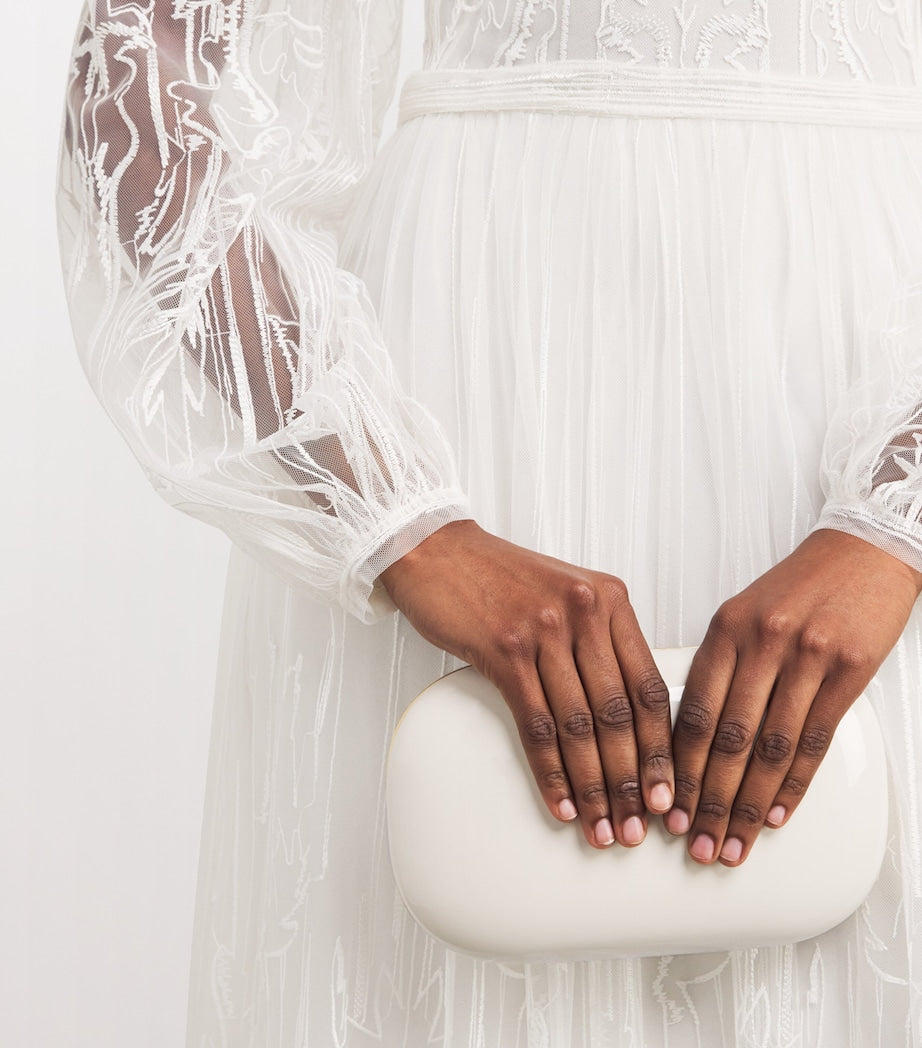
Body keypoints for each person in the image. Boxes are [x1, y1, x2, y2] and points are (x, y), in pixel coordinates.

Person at [56, 1, 922, 1045]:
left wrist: (898, 511)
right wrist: (401, 518)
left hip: (863, 366)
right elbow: (142, 74)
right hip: (470, 382)